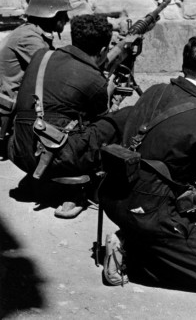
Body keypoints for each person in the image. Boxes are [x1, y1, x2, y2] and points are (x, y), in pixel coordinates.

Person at [99, 35, 196, 293]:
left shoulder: (153, 92)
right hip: (150, 213)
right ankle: (129, 255)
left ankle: (138, 238)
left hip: (113, 196)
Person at [9, 14, 116, 217]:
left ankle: (41, 179)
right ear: (103, 51)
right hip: (56, 159)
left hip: (19, 149)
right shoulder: (94, 80)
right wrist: (107, 92)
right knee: (112, 123)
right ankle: (79, 191)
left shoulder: (42, 55)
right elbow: (100, 120)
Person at [0, 0, 74, 158]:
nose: (66, 19)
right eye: (63, 14)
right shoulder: (29, 38)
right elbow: (53, 71)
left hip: (17, 99)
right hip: (10, 105)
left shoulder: (33, 33)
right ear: (51, 15)